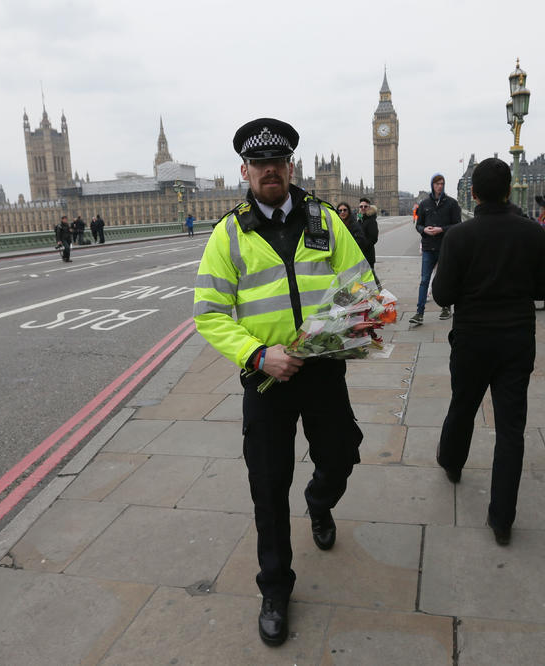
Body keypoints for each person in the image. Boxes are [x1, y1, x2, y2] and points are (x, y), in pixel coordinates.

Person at [193, 118, 372, 647]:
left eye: (279, 162)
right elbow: (208, 312)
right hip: (266, 380)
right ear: (245, 171)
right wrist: (257, 354)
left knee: (341, 456)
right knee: (268, 487)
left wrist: (337, 331)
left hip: (322, 370)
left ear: (291, 166)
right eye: (260, 164)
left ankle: (320, 501)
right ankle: (275, 587)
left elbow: (359, 283)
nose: (270, 171)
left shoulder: (325, 220)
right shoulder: (229, 233)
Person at [432, 158, 545, 546]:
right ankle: (502, 518)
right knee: (511, 430)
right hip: (515, 341)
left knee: (463, 405)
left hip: (472, 340)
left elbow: (442, 295)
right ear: (510, 191)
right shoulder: (531, 234)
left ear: (472, 193)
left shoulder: (458, 237)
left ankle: (452, 463)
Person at [411, 173, 460, 326]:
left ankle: (446, 307)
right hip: (428, 247)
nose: (439, 186)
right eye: (437, 183)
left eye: (442, 183)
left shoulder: (452, 203)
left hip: (445, 246)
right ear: (432, 185)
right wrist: (424, 230)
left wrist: (441, 229)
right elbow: (418, 225)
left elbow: (457, 225)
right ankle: (419, 313)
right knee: (424, 280)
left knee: (445, 278)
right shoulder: (424, 204)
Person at [356, 197, 380, 268]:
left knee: (369, 277)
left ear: (369, 207)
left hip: (367, 256)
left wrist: (363, 246)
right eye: (361, 206)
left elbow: (373, 238)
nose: (363, 208)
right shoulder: (361, 219)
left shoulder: (371, 220)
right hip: (360, 256)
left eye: (365, 206)